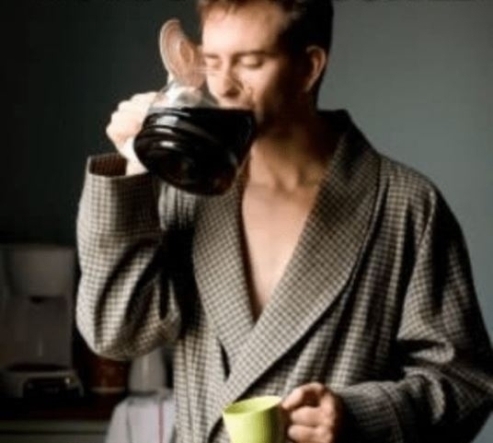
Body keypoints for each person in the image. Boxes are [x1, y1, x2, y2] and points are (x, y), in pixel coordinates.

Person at [75, 0, 493, 441]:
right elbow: (115, 334)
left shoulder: (404, 204)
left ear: (308, 68)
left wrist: (358, 417)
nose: (223, 85)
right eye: (212, 61)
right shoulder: (189, 191)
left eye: (249, 62)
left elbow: (466, 384)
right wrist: (133, 167)